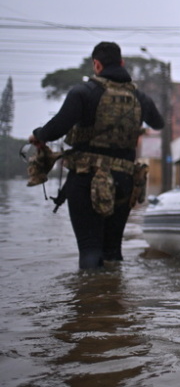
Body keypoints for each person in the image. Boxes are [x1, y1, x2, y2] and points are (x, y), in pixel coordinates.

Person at [29, 42, 165, 270]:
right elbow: (158, 123)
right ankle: (113, 299)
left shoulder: (84, 92)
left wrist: (37, 135)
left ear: (97, 65)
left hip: (86, 179)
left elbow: (56, 129)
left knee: (90, 249)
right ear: (122, 64)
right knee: (112, 251)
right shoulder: (139, 97)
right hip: (125, 179)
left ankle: (92, 300)